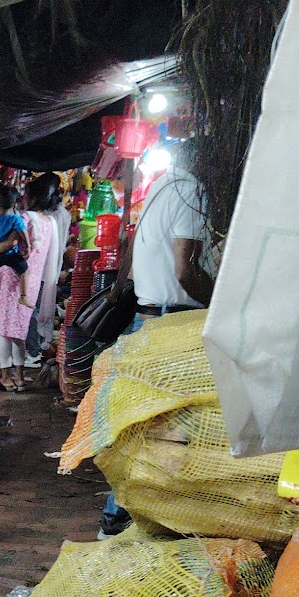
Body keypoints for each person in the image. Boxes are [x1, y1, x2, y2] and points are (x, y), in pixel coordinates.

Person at [99, 150, 214, 536]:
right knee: (164, 426)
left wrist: (120, 290)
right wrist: (221, 303)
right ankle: (127, 517)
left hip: (147, 316)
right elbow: (185, 271)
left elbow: (132, 254)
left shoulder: (162, 184)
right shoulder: (191, 192)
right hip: (171, 322)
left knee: (140, 423)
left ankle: (119, 516)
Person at [0, 185, 33, 389]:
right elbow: (20, 240)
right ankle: (19, 377)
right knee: (15, 328)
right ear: (14, 204)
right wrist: (27, 246)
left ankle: (6, 377)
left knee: (4, 329)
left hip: (0, 269)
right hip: (13, 269)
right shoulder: (16, 220)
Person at [24, 173, 68, 366]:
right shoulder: (60, 215)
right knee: (36, 312)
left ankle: (32, 351)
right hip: (48, 269)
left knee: (31, 312)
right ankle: (36, 349)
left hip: (37, 269)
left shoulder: (42, 217)